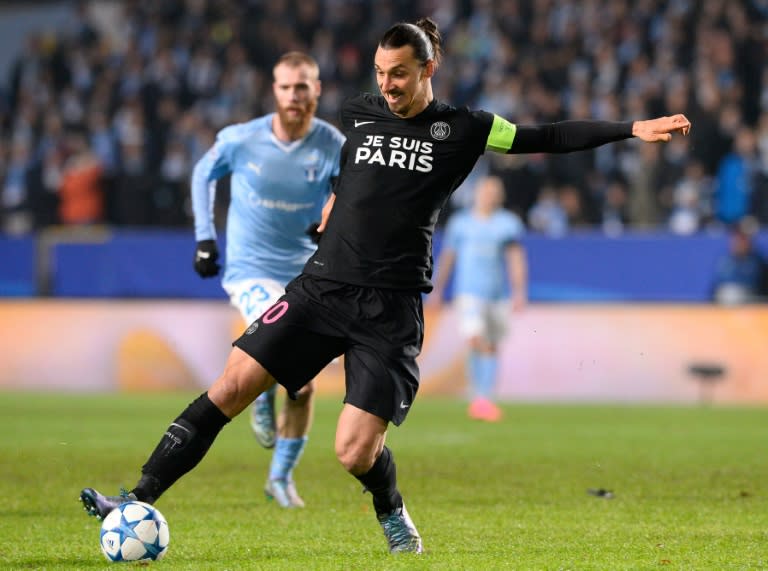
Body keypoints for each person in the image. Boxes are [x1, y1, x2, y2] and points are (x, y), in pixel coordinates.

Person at [80, 17, 691, 554]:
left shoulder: (468, 128)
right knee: (232, 384)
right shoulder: (359, 113)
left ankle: (391, 509)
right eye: (380, 73)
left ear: (429, 68)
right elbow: (354, 173)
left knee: (353, 452)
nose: (387, 86)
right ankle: (133, 497)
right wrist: (335, 201)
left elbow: (547, 137)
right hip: (320, 287)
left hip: (389, 307)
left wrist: (630, 128)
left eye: (398, 74)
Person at [189, 51, 344, 508]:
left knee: (306, 386)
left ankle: (279, 478)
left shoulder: (333, 145)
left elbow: (348, 198)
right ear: (273, 91)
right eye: (286, 87)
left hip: (303, 273)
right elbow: (202, 173)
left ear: (317, 90)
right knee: (276, 341)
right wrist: (204, 238)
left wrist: (329, 227)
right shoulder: (242, 139)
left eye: (303, 86)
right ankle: (261, 390)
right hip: (250, 269)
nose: (294, 95)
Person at [430, 175, 527, 422]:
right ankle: (479, 398)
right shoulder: (461, 223)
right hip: (469, 293)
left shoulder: (507, 223)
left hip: (497, 294)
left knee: (492, 345)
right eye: (486, 191)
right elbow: (448, 257)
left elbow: (515, 258)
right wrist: (438, 289)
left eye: (495, 192)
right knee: (475, 339)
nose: (490, 196)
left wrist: (519, 291)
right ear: (477, 194)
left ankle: (484, 397)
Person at [711, 220, 768, 304]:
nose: (738, 243)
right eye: (736, 239)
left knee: (733, 294)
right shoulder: (726, 260)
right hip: (724, 301)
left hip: (751, 303)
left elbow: (761, 289)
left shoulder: (758, 262)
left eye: (742, 239)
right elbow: (716, 286)